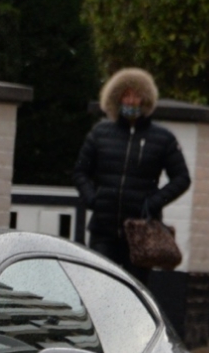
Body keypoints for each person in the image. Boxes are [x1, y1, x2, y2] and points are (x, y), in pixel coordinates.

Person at [73, 68, 191, 270]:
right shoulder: (100, 133)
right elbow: (80, 172)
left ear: (145, 100)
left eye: (136, 95)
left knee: (135, 288)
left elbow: (182, 178)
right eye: (125, 95)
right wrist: (93, 199)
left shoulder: (162, 138)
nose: (130, 100)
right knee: (98, 284)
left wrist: (153, 203)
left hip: (141, 233)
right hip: (103, 230)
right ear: (116, 99)